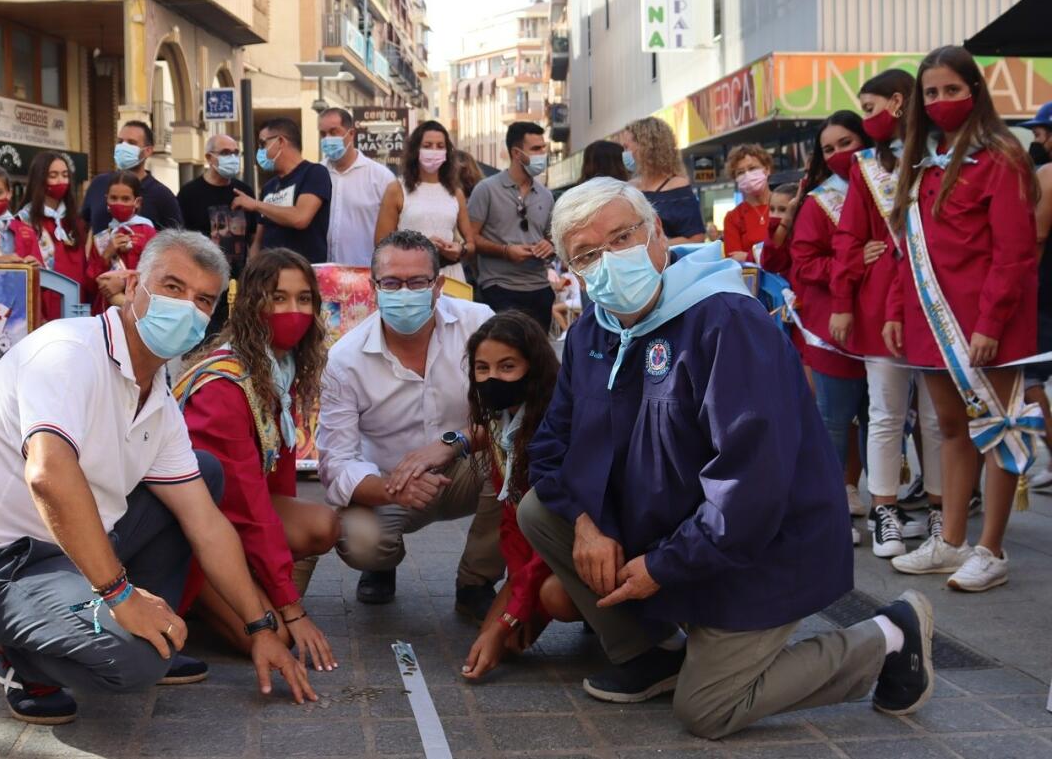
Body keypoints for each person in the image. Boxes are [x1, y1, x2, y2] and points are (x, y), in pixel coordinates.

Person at [518, 177, 935, 739]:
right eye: (588, 255)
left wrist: (663, 567)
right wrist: (588, 525)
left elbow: (749, 490)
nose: (610, 262)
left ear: (657, 232)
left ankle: (888, 636)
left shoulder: (725, 321)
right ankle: (653, 652)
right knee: (542, 509)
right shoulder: (596, 328)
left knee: (709, 710)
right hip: (669, 534)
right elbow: (552, 447)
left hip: (755, 550)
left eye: (622, 238)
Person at [0, 230, 315, 725]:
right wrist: (119, 596)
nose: (186, 308)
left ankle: (140, 626)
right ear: (132, 285)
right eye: (172, 287)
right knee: (136, 662)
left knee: (203, 475)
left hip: (67, 548)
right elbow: (48, 473)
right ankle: (14, 652)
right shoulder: (69, 353)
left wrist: (260, 628)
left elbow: (205, 523)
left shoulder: (157, 397)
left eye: (203, 300)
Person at [884, 45, 1039, 591]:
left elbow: (1015, 251)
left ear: (974, 90)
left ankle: (990, 549)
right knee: (949, 428)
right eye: (932, 92)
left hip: (987, 327)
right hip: (933, 323)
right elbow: (911, 254)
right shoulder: (921, 160)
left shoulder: (1000, 156)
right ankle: (950, 542)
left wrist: (992, 324)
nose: (942, 100)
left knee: (997, 429)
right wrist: (897, 311)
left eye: (952, 89)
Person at [317, 230, 504, 619]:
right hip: (392, 482)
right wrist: (391, 489)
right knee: (359, 540)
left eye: (418, 281)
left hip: (469, 466)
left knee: (519, 462)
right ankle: (382, 565)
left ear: (438, 285)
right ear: (373, 287)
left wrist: (450, 443)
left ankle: (476, 580)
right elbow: (336, 463)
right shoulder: (345, 360)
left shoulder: (479, 325)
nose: (405, 292)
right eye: (392, 282)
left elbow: (512, 414)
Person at [177, 248, 340, 670]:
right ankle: (194, 601)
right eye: (278, 297)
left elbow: (276, 489)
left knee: (322, 524)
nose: (293, 310)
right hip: (192, 538)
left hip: (233, 521)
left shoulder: (279, 368)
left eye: (304, 299)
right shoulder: (224, 384)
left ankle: (251, 589)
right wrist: (291, 609)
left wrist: (277, 583)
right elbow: (245, 506)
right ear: (252, 304)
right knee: (279, 634)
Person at [830, 70, 943, 559]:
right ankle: (885, 512)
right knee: (885, 414)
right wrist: (844, 296)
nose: (867, 116)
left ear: (899, 102)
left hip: (937, 301)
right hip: (880, 307)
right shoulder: (865, 168)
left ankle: (943, 512)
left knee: (939, 420)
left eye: (871, 107)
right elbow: (849, 237)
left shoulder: (940, 155)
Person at [460, 311, 579, 681]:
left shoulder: (559, 422)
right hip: (549, 548)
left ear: (534, 366)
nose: (492, 378)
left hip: (577, 542)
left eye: (507, 366)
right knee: (505, 642)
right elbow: (512, 520)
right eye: (482, 368)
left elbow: (555, 532)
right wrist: (514, 590)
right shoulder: (502, 423)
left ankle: (628, 635)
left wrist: (514, 611)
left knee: (553, 596)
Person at [791, 112, 872, 546]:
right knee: (834, 421)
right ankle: (831, 502)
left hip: (884, 324)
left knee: (883, 420)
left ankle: (879, 500)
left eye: (847, 142)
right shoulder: (819, 201)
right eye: (829, 148)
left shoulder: (887, 186)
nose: (840, 154)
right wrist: (855, 263)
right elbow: (804, 263)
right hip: (832, 328)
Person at [468, 122, 556, 328]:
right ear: (516, 153)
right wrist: (506, 251)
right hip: (499, 286)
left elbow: (553, 238)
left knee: (537, 357)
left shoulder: (545, 195)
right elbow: (471, 239)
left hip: (539, 287)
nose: (542, 154)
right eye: (536, 149)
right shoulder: (486, 189)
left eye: (544, 148)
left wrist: (549, 246)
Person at [375, 121, 474, 284]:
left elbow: (471, 244)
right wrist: (422, 246)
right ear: (416, 150)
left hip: (451, 275)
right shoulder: (397, 189)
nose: (434, 151)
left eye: (440, 146)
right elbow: (381, 243)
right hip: (411, 276)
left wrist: (460, 249)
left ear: (447, 152)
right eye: (428, 145)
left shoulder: (455, 192)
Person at [176, 134, 254, 337]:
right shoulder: (189, 194)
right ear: (209, 158)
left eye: (236, 153)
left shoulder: (244, 192)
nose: (233, 157)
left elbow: (253, 238)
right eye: (226, 153)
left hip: (238, 287)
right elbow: (181, 240)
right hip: (202, 285)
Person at [235, 118, 332, 265]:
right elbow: (258, 241)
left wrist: (256, 205)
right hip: (270, 274)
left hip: (303, 272)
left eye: (263, 144)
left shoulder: (314, 173)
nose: (260, 151)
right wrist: (254, 272)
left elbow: (300, 218)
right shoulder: (269, 187)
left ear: (280, 141)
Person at [1018, 101, 1052, 491]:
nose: (1036, 140)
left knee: (1030, 379)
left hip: (1044, 295)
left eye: (1040, 133)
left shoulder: (1046, 173)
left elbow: (1038, 238)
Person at [320, 107, 397, 267]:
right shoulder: (316, 174)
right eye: (323, 134)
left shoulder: (380, 177)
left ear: (351, 134)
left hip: (365, 274)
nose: (328, 139)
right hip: (323, 275)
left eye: (334, 132)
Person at [19, 151, 89, 324]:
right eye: (53, 175)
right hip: (42, 311)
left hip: (74, 307)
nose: (61, 181)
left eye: (65, 175)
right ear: (40, 179)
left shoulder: (75, 222)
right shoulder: (24, 222)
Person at [80, 121, 183, 233]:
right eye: (120, 142)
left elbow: (176, 240)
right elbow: (82, 227)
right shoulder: (98, 184)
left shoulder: (162, 196)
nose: (123, 147)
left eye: (131, 143)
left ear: (148, 151)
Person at [620, 116, 705, 245]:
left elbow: (696, 238)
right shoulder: (628, 188)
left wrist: (654, 245)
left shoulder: (678, 186)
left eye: (627, 147)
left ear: (645, 147)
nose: (624, 153)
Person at [86, 172, 158, 312]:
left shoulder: (149, 233)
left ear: (137, 202)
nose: (119, 203)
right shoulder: (102, 237)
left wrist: (124, 283)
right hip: (104, 312)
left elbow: (157, 275)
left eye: (125, 199)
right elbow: (89, 285)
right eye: (114, 198)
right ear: (107, 200)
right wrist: (106, 255)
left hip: (137, 312)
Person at [722, 145, 774, 262]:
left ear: (767, 169)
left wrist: (748, 256)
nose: (748, 175)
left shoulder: (786, 205)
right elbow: (734, 260)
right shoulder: (733, 218)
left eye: (752, 168)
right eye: (740, 172)